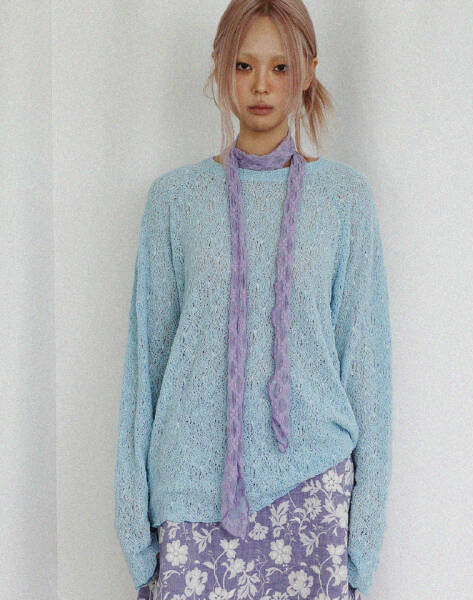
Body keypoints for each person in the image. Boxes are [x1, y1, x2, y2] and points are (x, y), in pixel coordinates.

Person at [114, 1, 392, 599]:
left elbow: (366, 371)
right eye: (244, 65)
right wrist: (135, 529)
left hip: (313, 497)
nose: (261, 85)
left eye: (280, 66)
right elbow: (147, 363)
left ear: (308, 71)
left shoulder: (345, 199)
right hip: (193, 499)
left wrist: (362, 545)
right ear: (220, 67)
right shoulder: (175, 200)